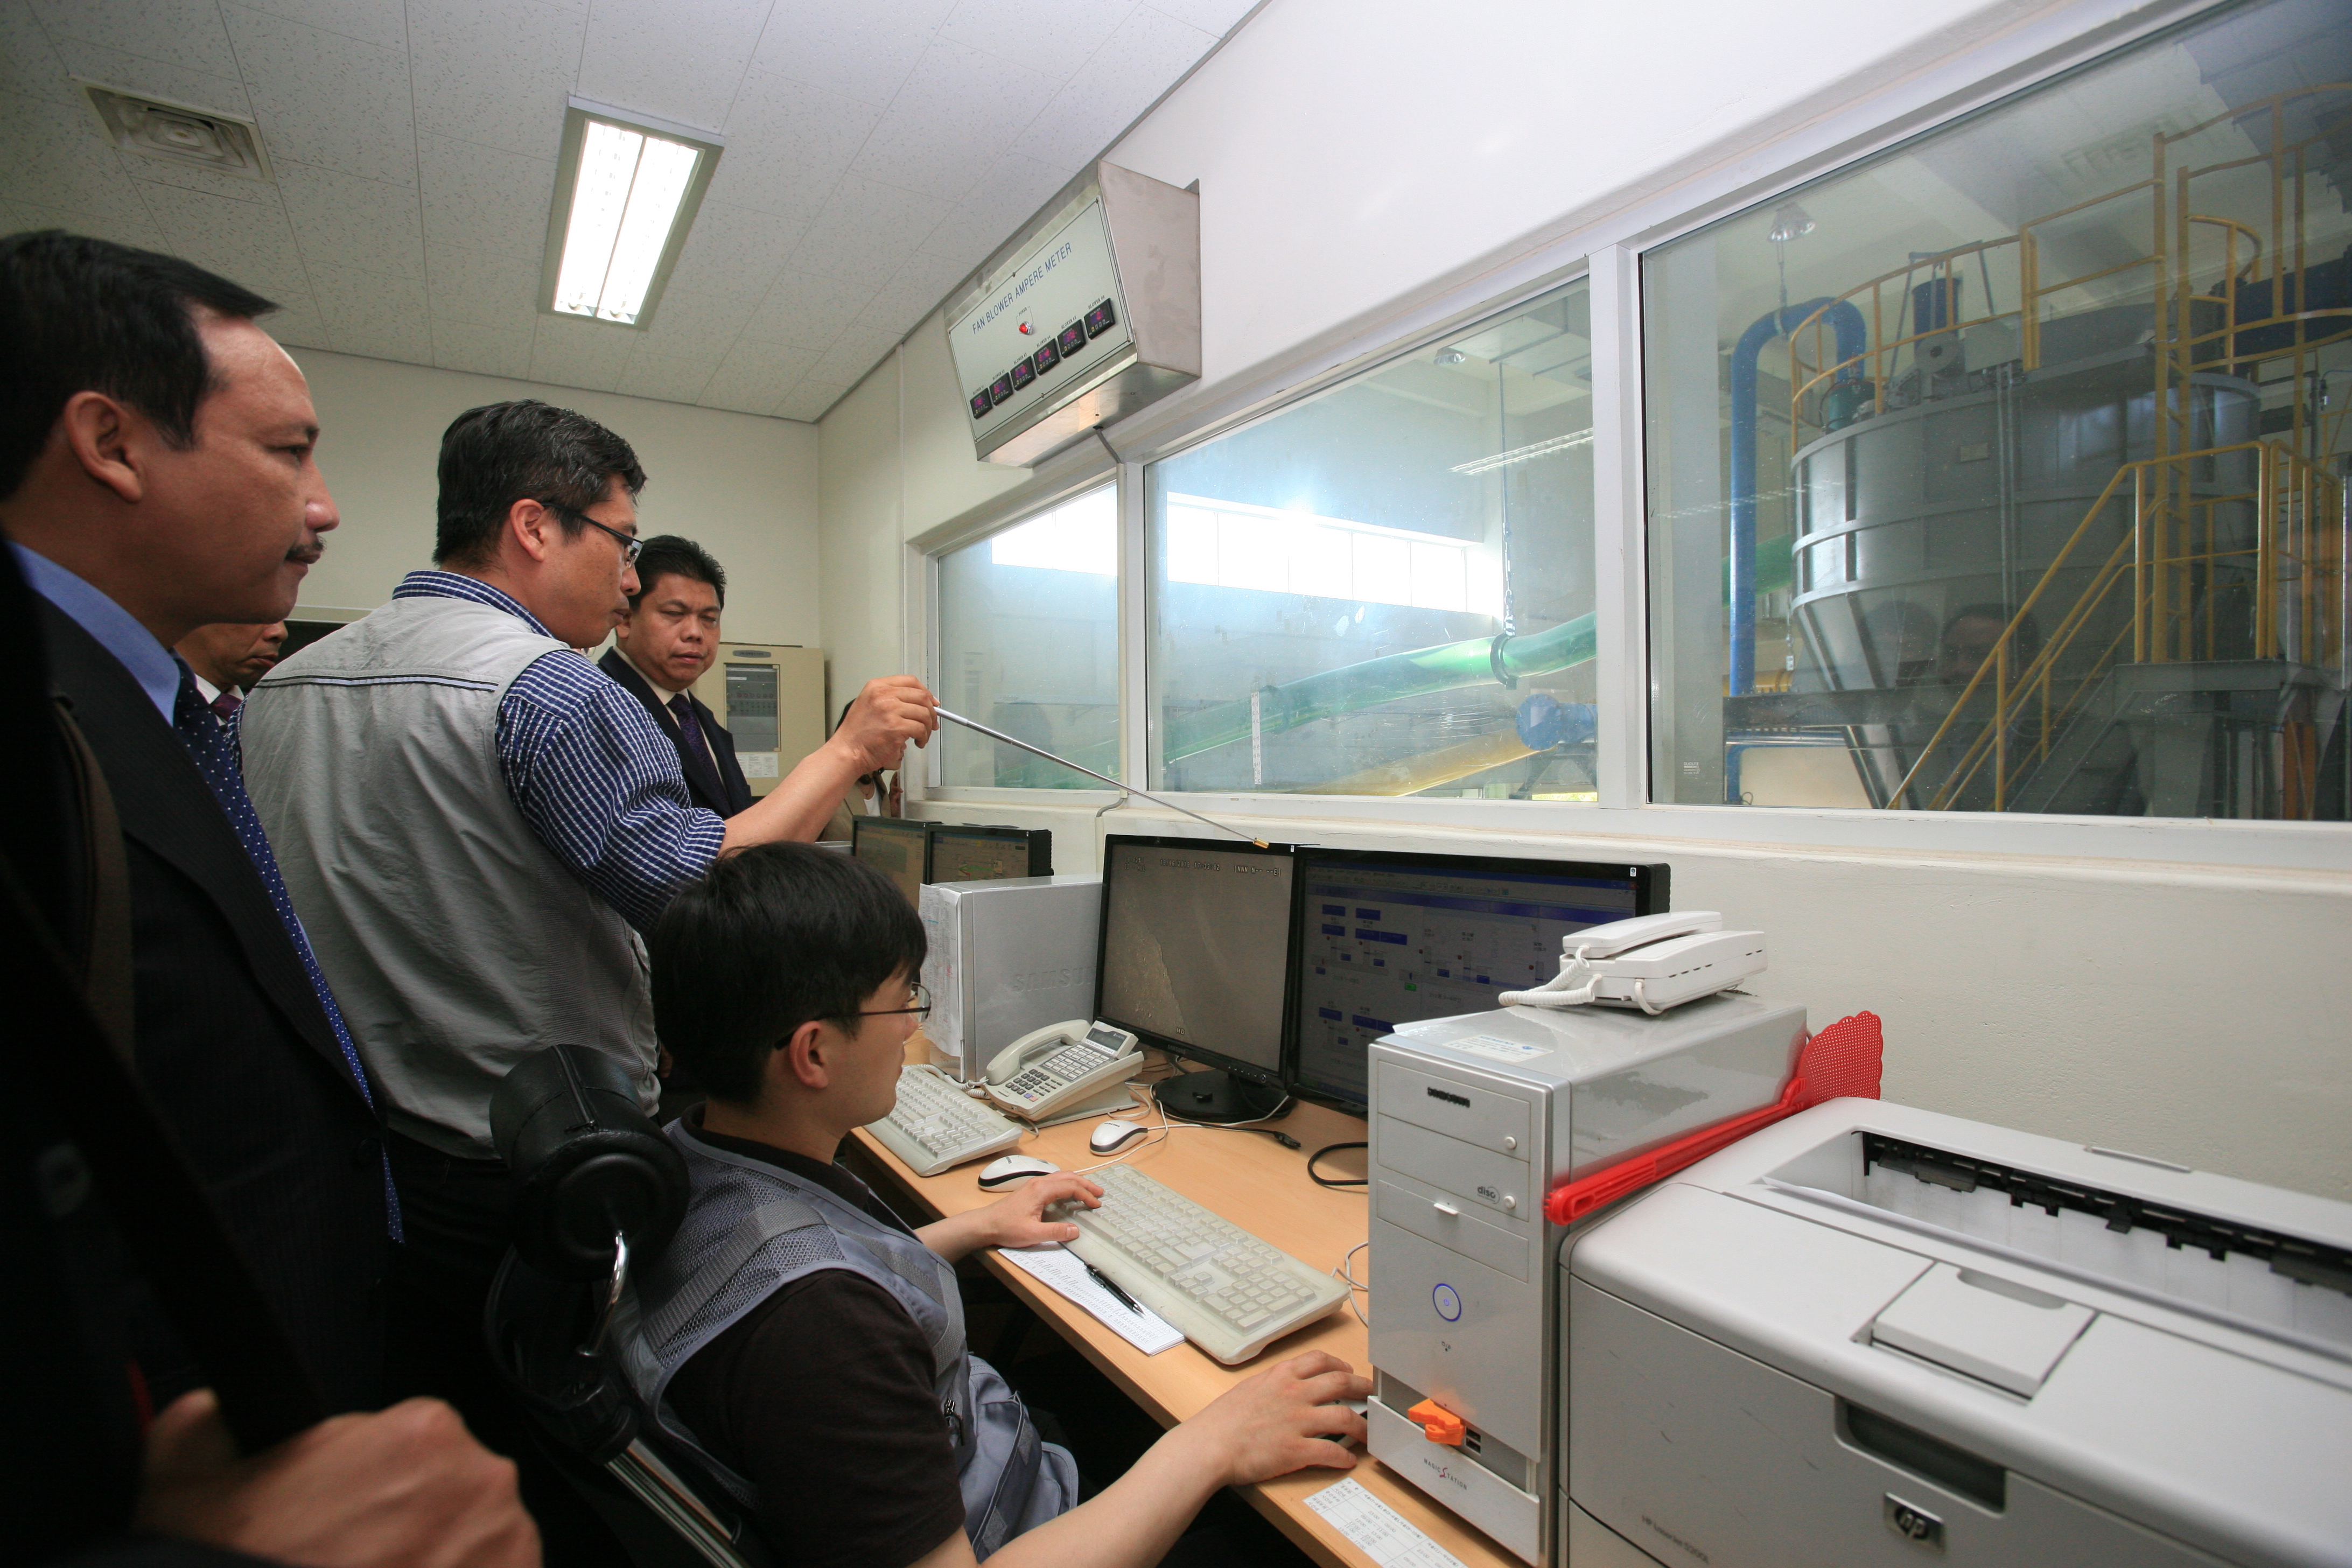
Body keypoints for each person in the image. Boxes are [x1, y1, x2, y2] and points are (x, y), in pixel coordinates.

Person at [237, 399, 939, 1553]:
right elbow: (691, 897)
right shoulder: (549, 691)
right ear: (532, 526)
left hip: (367, 1171)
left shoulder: (292, 686)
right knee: (545, 1485)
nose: (627, 580)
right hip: (525, 1174)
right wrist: (850, 749)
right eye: (620, 543)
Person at [1, 230, 537, 1564]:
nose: (327, 505)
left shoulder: (158, 706)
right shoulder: (38, 734)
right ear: (111, 443)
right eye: (288, 450)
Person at [641, 843, 1371, 1568]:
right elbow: (831, 1318)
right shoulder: (822, 1335)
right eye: (902, 1001)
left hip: (977, 1455)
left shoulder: (695, 1159)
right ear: (813, 1054)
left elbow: (826, 1270)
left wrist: (978, 1225)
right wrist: (1210, 1446)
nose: (910, 1029)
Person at [599, 534, 753, 817]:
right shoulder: (599, 708)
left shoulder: (700, 719)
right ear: (626, 619)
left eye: (709, 619)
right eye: (674, 613)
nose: (695, 633)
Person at [821, 696, 902, 841]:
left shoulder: (877, 784)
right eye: (895, 737)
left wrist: (892, 815)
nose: (903, 746)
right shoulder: (827, 781)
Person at [176, 619, 286, 718]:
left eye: (283, 617)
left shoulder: (275, 717)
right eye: (257, 614)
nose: (281, 633)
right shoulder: (164, 715)